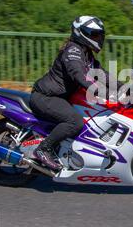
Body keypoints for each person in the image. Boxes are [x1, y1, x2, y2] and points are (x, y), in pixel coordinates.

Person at [30, 16, 118, 171]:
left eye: (99, 35)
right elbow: (79, 76)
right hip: (46, 97)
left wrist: (126, 88)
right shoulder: (73, 51)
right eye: (94, 34)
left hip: (61, 98)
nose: (97, 38)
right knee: (75, 122)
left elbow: (102, 75)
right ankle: (43, 149)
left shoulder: (87, 54)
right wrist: (100, 90)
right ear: (80, 32)